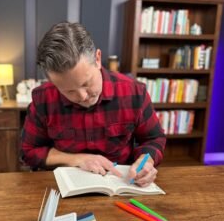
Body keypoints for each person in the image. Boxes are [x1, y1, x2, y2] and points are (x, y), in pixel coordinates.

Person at [21, 22, 166, 187]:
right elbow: (28, 151)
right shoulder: (43, 97)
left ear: (97, 59)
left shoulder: (134, 92)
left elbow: (154, 138)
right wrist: (77, 159)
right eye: (68, 91)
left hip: (122, 184)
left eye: (86, 83)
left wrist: (145, 162)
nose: (82, 96)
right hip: (64, 186)